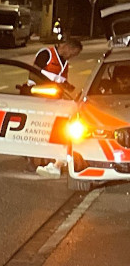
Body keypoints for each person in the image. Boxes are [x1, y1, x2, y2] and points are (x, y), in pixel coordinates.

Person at [35, 37, 85, 177]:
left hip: (54, 101)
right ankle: (36, 159)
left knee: (53, 129)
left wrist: (72, 89)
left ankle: (51, 159)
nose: (72, 57)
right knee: (40, 128)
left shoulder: (65, 63)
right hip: (40, 98)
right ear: (67, 47)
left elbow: (62, 81)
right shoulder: (47, 54)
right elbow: (34, 73)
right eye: (72, 53)